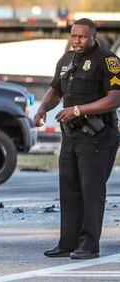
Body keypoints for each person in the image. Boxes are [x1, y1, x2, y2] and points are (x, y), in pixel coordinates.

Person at [33, 18, 120, 260]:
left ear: (94, 36)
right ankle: (67, 242)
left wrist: (79, 110)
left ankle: (89, 245)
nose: (77, 41)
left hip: (97, 137)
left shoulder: (108, 60)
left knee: (91, 193)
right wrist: (42, 110)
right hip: (71, 136)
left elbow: (115, 98)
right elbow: (56, 89)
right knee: (69, 191)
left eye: (82, 37)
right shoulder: (67, 59)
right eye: (74, 36)